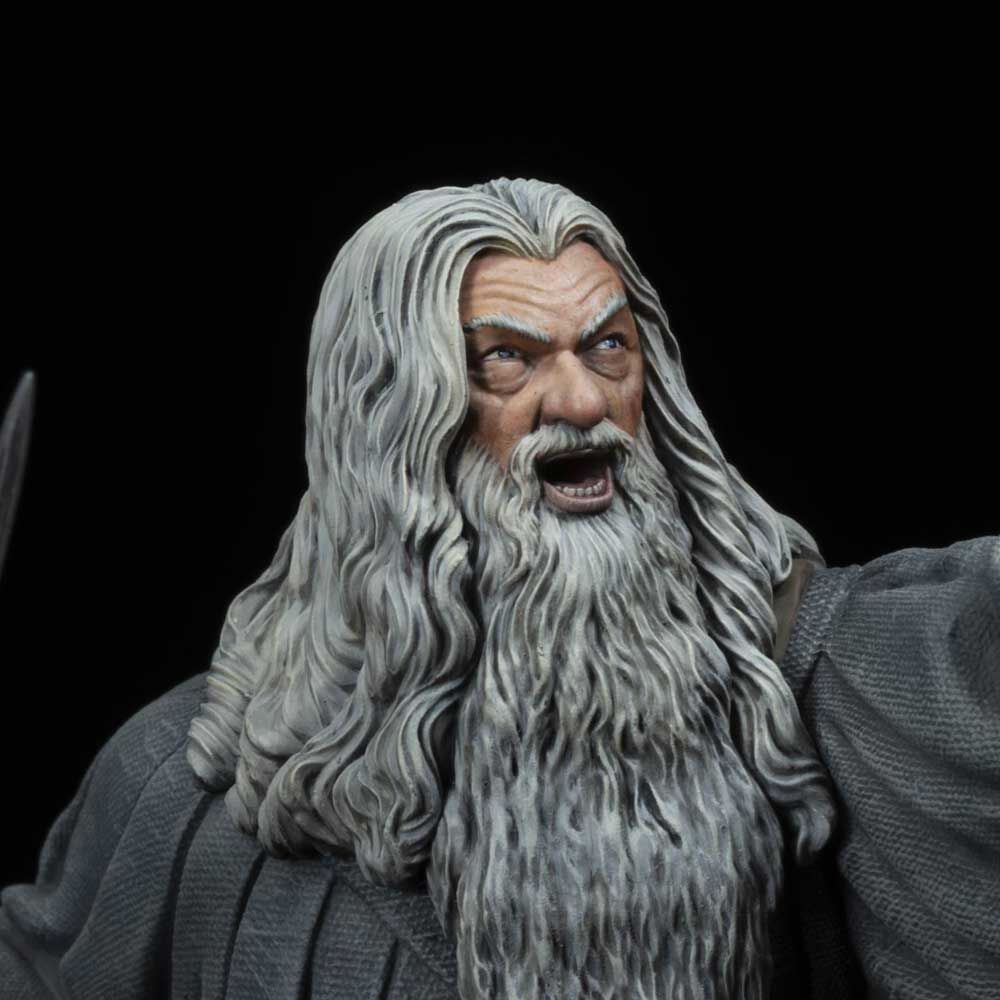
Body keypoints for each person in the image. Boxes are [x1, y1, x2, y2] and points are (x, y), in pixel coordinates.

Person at [1, 178, 996, 1000]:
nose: (582, 401)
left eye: (608, 346)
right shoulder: (180, 791)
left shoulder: (817, 686)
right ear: (389, 423)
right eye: (506, 359)